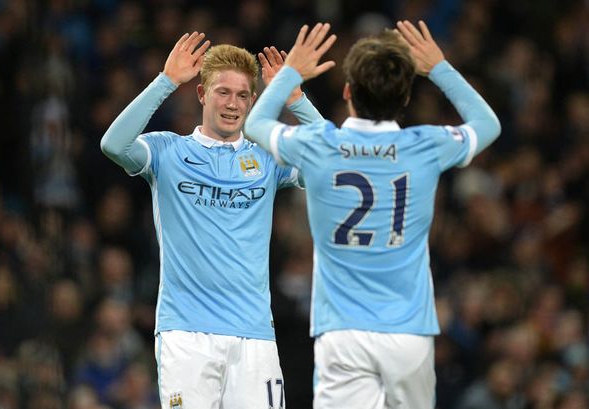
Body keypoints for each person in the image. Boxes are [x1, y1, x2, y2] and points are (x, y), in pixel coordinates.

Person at [245, 21, 501, 408]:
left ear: (348, 91)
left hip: (342, 332)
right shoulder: (426, 145)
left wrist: (291, 74)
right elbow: (487, 124)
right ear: (404, 99)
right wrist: (439, 67)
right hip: (409, 332)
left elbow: (256, 123)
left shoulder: (319, 144)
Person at [100, 31, 322, 409]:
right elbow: (113, 144)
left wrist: (296, 99)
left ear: (253, 101)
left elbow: (329, 160)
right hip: (186, 334)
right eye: (223, 92)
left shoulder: (267, 158)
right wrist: (166, 81)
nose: (232, 103)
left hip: (254, 338)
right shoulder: (167, 151)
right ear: (202, 94)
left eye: (242, 95)